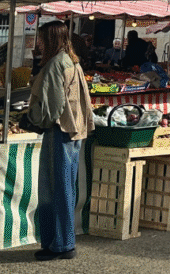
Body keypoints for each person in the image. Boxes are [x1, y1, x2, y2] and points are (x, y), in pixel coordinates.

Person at [26, 20, 94, 261]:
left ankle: (60, 245)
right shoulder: (71, 60)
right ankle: (62, 242)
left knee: (54, 190)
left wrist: (33, 120)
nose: (40, 43)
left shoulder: (56, 64)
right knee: (65, 188)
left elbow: (53, 108)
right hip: (74, 131)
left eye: (43, 39)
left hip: (60, 131)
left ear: (52, 39)